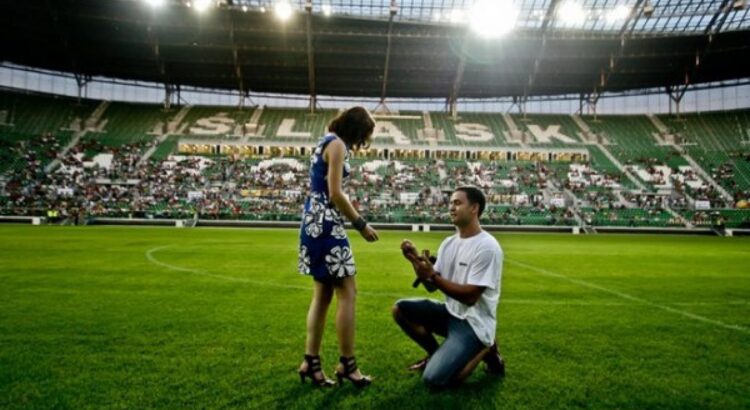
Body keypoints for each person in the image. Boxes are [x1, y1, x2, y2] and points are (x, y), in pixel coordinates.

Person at [297, 106, 379, 388]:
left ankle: (311, 362)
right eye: (364, 136)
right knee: (348, 291)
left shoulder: (325, 140)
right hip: (327, 222)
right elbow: (335, 193)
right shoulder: (338, 145)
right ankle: (347, 364)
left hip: (312, 220)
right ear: (356, 130)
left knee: (322, 294)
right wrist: (361, 224)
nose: (362, 143)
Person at [393, 186, 505, 389]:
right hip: (451, 313)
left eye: (457, 203)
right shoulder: (448, 243)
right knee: (400, 310)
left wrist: (433, 276)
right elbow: (431, 287)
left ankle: (486, 346)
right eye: (451, 203)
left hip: (473, 322)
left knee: (434, 380)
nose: (451, 208)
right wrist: (415, 261)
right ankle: (435, 355)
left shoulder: (487, 246)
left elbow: (471, 297)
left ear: (474, 208)